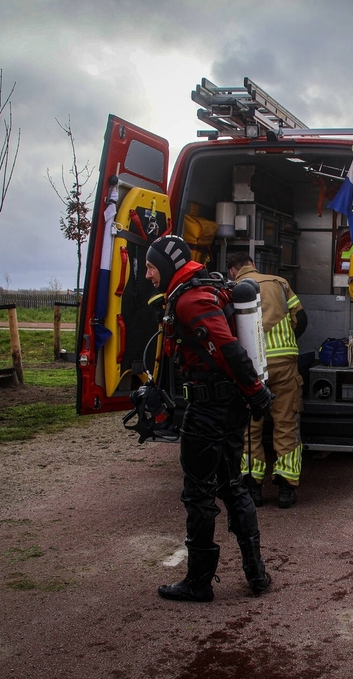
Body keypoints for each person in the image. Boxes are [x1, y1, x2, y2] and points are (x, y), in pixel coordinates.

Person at [144, 235, 274, 602]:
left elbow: (227, 350)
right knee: (232, 484)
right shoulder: (202, 288)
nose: (149, 275)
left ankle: (199, 582)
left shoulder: (191, 298)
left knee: (198, 492)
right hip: (227, 405)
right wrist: (250, 395)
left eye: (152, 268)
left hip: (209, 409)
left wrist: (257, 392)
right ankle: (256, 575)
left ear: (168, 265)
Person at [227, 252, 308, 509]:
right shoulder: (279, 283)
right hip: (284, 364)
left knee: (250, 428)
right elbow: (302, 319)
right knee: (286, 422)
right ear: (253, 264)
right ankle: (286, 487)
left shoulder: (231, 290)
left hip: (250, 368)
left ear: (233, 271)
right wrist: (286, 341)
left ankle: (253, 487)